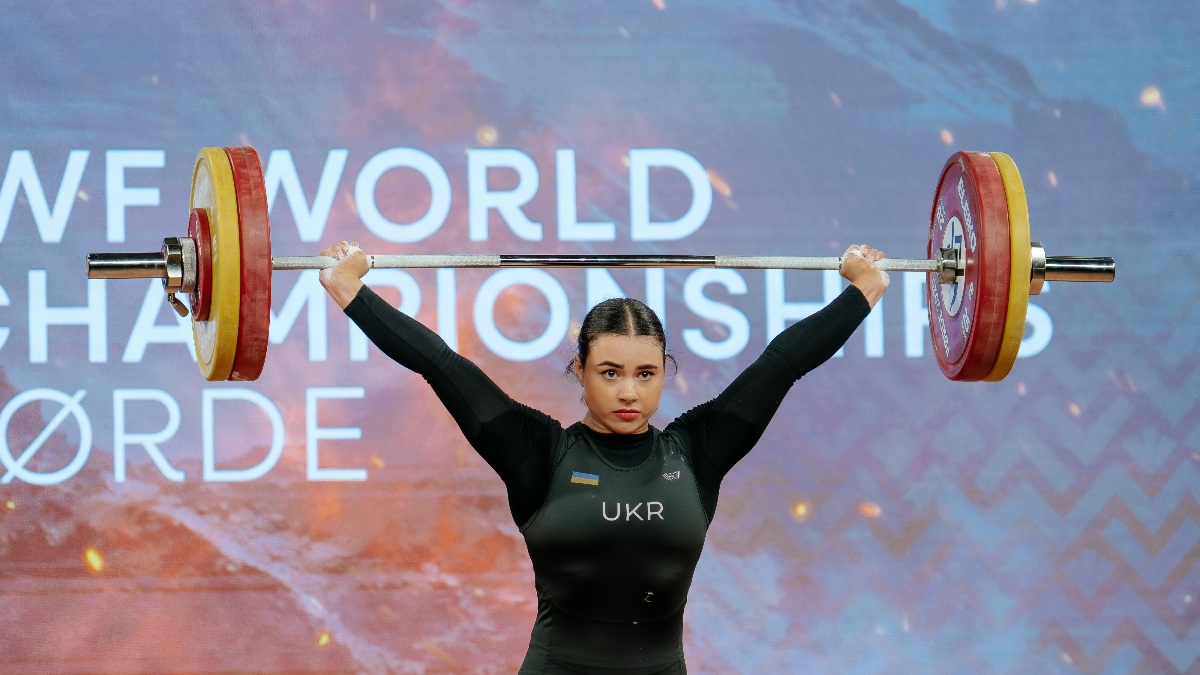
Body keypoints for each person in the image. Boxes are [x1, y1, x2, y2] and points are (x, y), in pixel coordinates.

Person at [319, 241, 890, 674]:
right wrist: (348, 288)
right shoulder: (537, 451)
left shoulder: (698, 449)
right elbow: (440, 364)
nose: (628, 392)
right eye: (610, 373)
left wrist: (863, 288)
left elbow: (784, 362)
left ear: (665, 372)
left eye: (645, 374)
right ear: (580, 371)